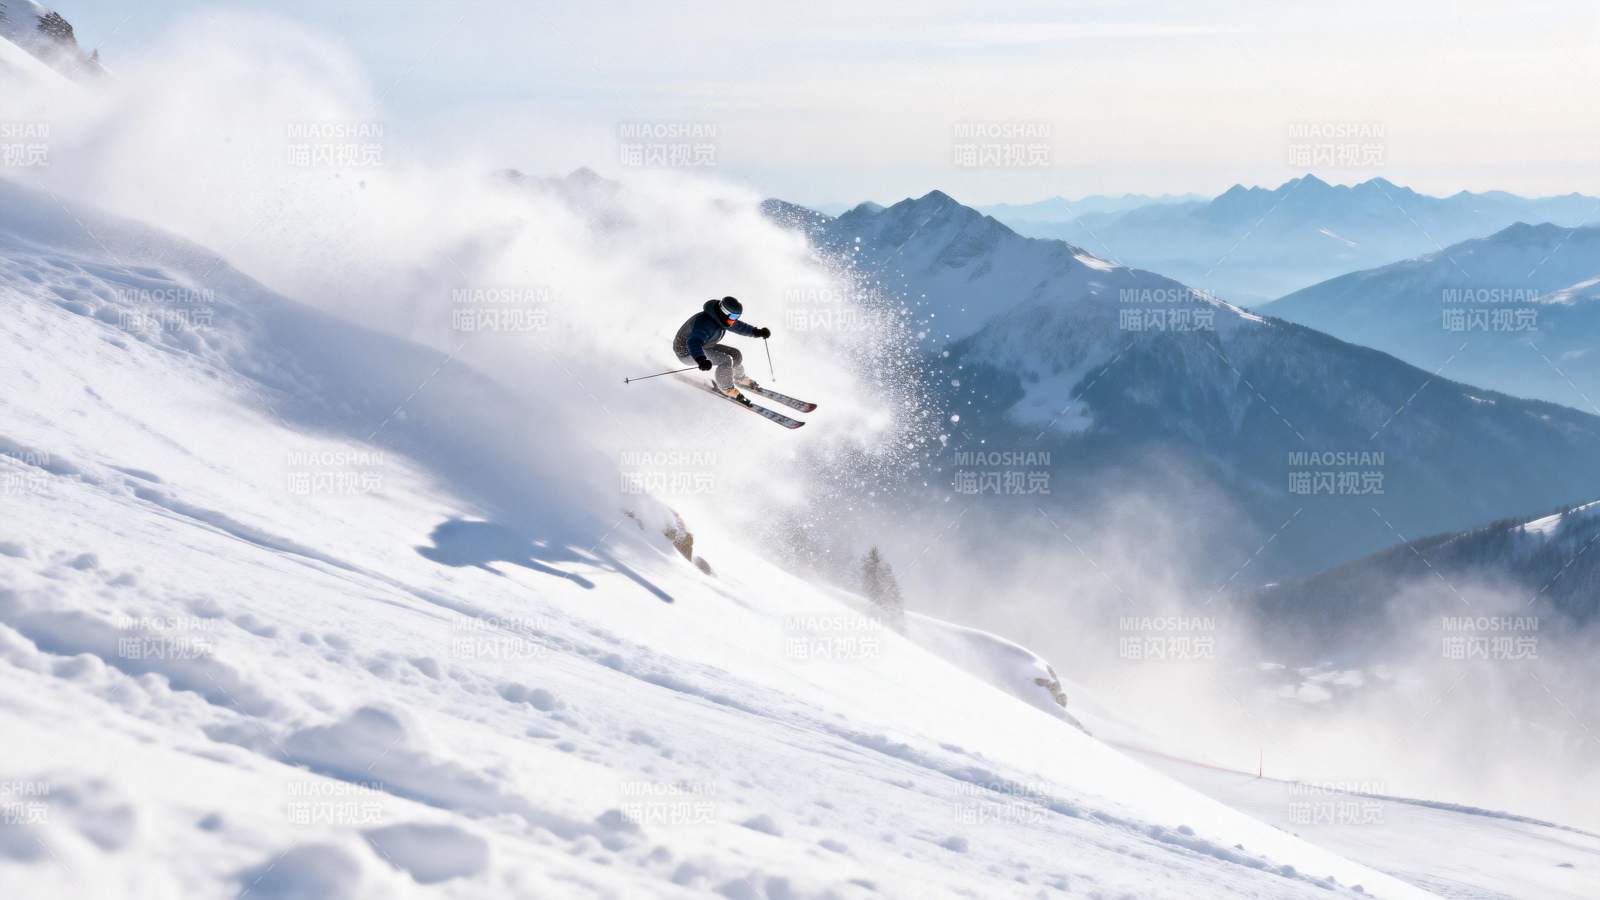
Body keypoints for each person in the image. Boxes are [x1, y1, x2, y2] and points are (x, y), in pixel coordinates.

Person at [673, 296, 771, 404]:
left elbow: (739, 327)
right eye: (733, 316)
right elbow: (693, 341)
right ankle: (727, 388)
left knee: (736, 355)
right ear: (724, 312)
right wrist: (701, 359)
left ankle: (740, 378)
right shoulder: (705, 323)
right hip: (687, 351)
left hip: (704, 345)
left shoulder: (723, 318)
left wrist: (757, 332)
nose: (734, 319)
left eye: (737, 316)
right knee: (725, 360)